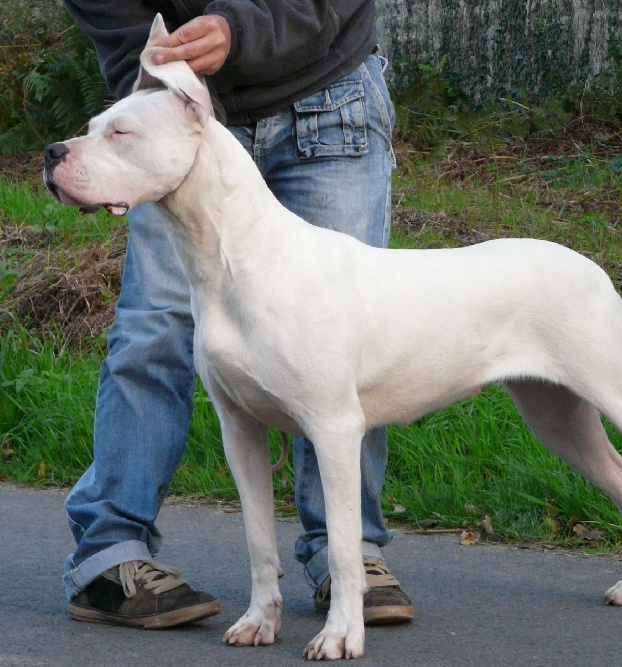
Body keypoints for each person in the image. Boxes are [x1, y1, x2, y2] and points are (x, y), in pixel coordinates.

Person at [60, 0, 413, 630]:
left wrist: (240, 29)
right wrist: (148, 79)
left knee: (341, 342)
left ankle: (348, 555)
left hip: (325, 97)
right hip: (170, 114)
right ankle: (110, 553)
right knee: (154, 327)